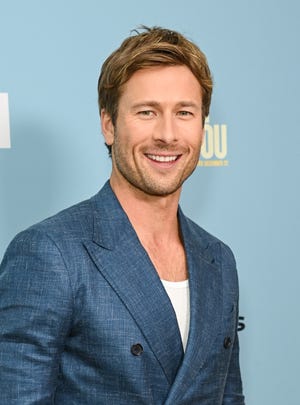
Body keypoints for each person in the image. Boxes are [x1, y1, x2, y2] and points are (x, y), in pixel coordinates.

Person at [0, 26, 244, 404]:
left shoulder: (219, 260)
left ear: (202, 126)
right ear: (109, 125)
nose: (167, 134)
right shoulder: (49, 253)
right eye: (147, 112)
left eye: (184, 112)